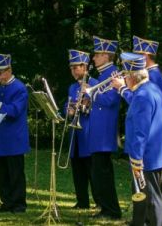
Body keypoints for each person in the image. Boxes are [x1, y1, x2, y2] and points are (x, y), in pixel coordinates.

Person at [121, 52, 162, 226]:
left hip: (147, 155)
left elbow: (140, 132)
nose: (124, 79)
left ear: (132, 77)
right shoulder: (151, 88)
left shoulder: (142, 95)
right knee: (141, 196)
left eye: (125, 75)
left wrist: (136, 159)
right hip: (157, 152)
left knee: (151, 198)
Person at [0, 53, 29, 213]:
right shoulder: (1, 87)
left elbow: (14, 111)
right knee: (4, 174)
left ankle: (19, 205)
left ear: (9, 70)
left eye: (0, 72)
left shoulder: (19, 88)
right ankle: (7, 203)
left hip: (15, 137)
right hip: (2, 137)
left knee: (16, 173)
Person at [85, 36, 122, 220]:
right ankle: (105, 208)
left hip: (105, 131)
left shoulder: (114, 74)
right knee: (98, 173)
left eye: (97, 55)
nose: (93, 58)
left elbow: (111, 100)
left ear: (107, 56)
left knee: (103, 173)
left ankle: (112, 210)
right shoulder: (102, 74)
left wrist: (91, 89)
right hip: (98, 130)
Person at [63, 49, 96, 210]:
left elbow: (96, 108)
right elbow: (67, 105)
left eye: (76, 67)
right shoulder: (71, 87)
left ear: (85, 66)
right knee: (78, 171)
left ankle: (99, 202)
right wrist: (69, 110)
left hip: (88, 133)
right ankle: (82, 201)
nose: (73, 71)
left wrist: (82, 107)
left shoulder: (94, 83)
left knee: (91, 171)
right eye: (71, 68)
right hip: (75, 135)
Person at [115, 36, 162, 104]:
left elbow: (139, 101)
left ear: (145, 56)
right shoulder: (151, 72)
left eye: (137, 54)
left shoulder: (153, 74)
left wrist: (122, 88)